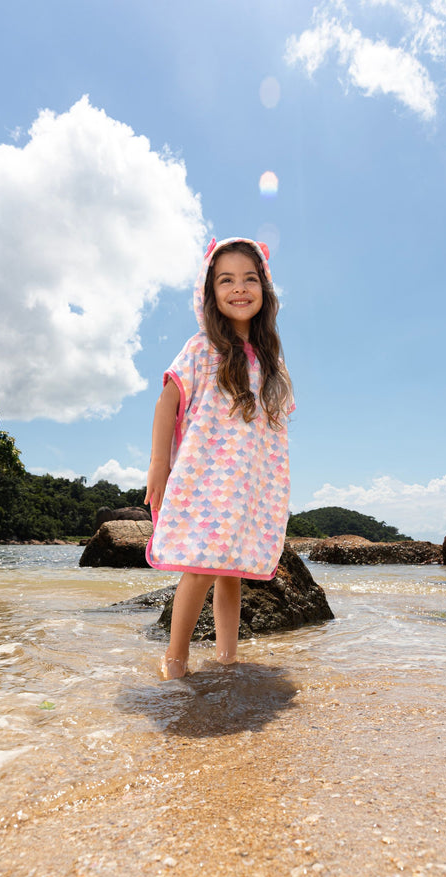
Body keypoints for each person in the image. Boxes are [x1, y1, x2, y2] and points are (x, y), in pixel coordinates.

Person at [144, 237, 294, 679]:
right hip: (206, 478)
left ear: (264, 289)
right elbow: (166, 401)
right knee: (200, 567)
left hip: (246, 483)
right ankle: (175, 658)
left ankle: (227, 656)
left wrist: (272, 487)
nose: (239, 288)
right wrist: (159, 465)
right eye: (226, 279)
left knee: (232, 571)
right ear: (210, 293)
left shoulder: (271, 361)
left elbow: (273, 428)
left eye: (250, 278)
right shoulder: (201, 347)